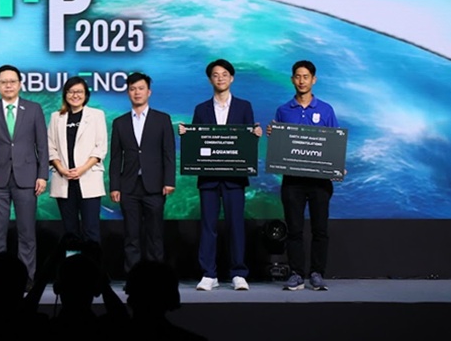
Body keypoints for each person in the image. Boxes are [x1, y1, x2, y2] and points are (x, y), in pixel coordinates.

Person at [181, 59, 262, 291]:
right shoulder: (201, 109)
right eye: (215, 75)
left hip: (235, 179)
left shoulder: (244, 107)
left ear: (232, 78)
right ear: (210, 80)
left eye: (224, 74)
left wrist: (255, 135)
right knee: (208, 227)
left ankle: (238, 273)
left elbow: (247, 142)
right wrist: (187, 134)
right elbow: (197, 142)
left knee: (236, 225)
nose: (220, 78)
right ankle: (209, 274)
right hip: (208, 179)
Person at [0, 65, 48, 284]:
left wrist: (42, 175)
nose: (8, 85)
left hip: (27, 178)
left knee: (27, 233)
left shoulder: (34, 109)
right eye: (4, 82)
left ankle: (27, 278)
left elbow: (42, 145)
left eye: (12, 81)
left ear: (20, 84)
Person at [273, 60, 339, 291]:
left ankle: (317, 273)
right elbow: (280, 147)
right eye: (298, 76)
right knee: (294, 230)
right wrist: (274, 135)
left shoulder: (326, 110)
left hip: (320, 182)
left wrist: (337, 167)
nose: (302, 81)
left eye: (306, 76)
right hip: (293, 182)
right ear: (293, 79)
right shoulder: (283, 110)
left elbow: (334, 143)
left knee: (320, 230)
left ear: (313, 80)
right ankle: (296, 274)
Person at [109, 71, 176, 274]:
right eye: (132, 89)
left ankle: (156, 277)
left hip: (155, 186)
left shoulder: (162, 119)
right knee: (131, 235)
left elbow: (169, 153)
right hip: (128, 187)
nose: (137, 92)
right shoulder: (119, 122)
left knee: (155, 235)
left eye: (141, 88)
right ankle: (133, 277)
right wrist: (115, 186)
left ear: (149, 92)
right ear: (128, 93)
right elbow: (116, 158)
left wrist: (169, 181)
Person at [47, 76, 108, 244]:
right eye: (71, 91)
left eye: (79, 92)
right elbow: (50, 147)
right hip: (64, 179)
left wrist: (82, 169)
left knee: (91, 230)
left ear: (86, 94)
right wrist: (61, 169)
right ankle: (72, 260)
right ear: (65, 94)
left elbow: (100, 147)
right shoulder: (56, 117)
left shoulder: (96, 115)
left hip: (88, 178)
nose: (75, 95)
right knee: (70, 231)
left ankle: (92, 261)